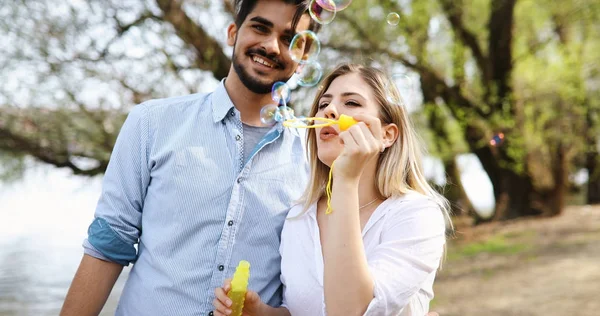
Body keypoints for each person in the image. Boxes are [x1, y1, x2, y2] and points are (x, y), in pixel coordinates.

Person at [60, 0, 320, 315]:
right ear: (233, 32)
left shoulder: (315, 158)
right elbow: (108, 245)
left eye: (288, 39)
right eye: (260, 28)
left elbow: (311, 294)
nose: (271, 46)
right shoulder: (151, 122)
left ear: (304, 58)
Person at [212, 64, 452, 316]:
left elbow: (349, 311)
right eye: (324, 104)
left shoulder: (415, 215)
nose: (330, 111)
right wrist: (261, 313)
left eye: (351, 103)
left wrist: (345, 181)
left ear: (387, 135)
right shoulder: (299, 217)